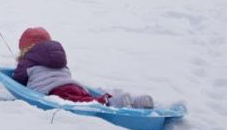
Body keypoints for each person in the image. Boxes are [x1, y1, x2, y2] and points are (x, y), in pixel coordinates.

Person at [13, 27, 154, 108]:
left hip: (53, 91)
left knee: (83, 103)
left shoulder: (27, 61)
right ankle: (136, 102)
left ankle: (111, 101)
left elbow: (18, 80)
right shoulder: (58, 58)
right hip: (73, 85)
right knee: (84, 96)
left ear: (25, 49)